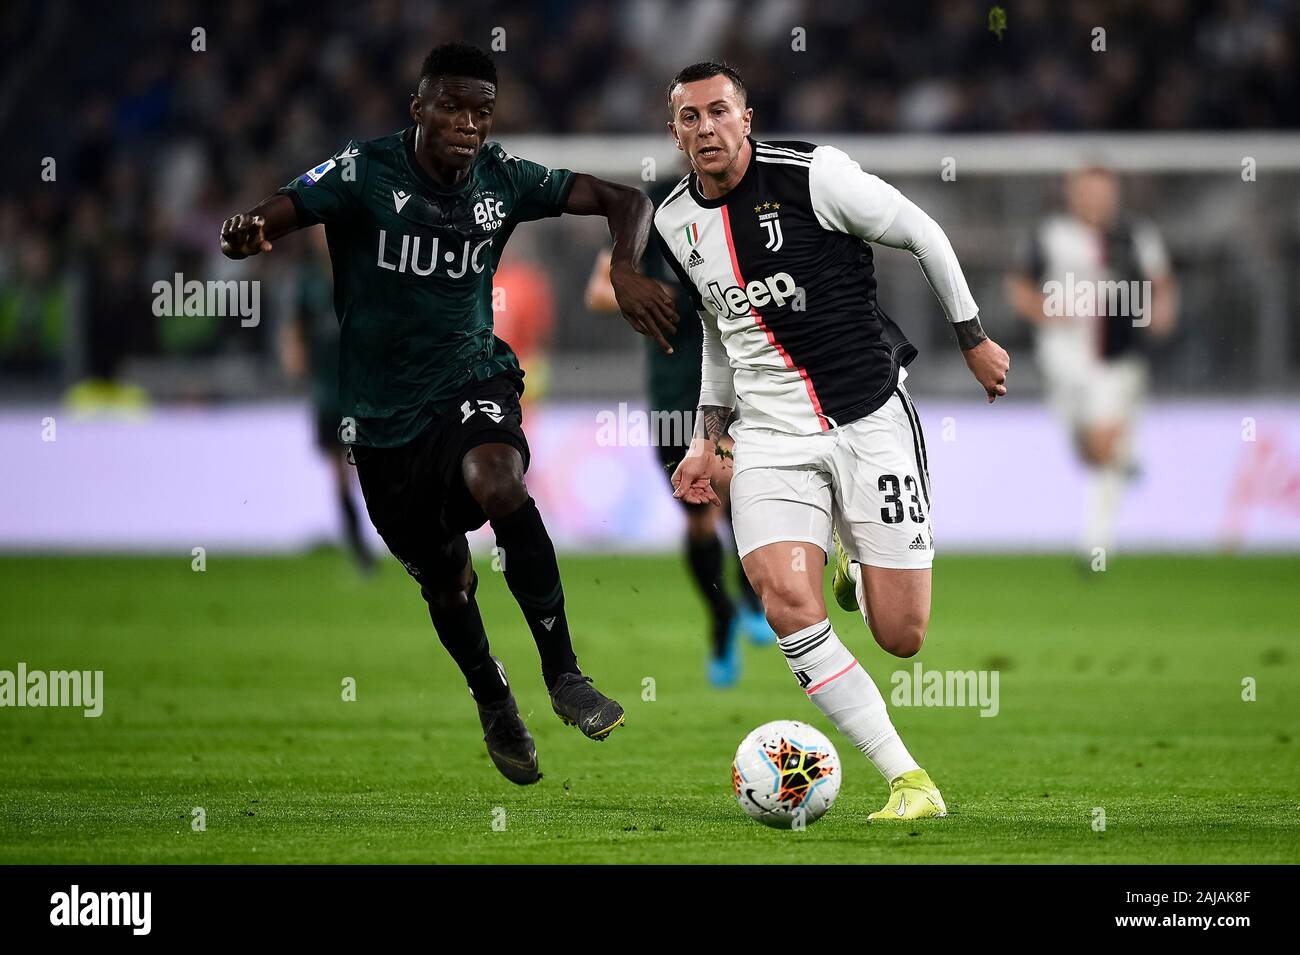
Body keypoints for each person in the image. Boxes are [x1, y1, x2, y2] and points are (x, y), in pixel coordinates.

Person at [220, 43, 679, 786]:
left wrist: (625, 266)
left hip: (470, 375)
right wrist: (252, 228)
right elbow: (281, 207)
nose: (468, 123)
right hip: (380, 418)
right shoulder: (365, 171)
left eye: (481, 111)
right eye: (452, 107)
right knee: (446, 583)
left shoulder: (504, 179)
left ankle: (564, 674)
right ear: (420, 109)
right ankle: (494, 697)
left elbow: (628, 201)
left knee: (500, 481)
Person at [658, 63, 1009, 820]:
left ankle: (851, 549)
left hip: (869, 418)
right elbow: (723, 335)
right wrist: (706, 437)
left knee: (901, 635)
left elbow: (922, 230)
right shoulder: (673, 222)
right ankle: (910, 780)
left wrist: (972, 336)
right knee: (785, 598)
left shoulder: (815, 177)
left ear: (746, 118)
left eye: (720, 112)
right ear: (675, 132)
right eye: (690, 118)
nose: (707, 128)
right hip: (770, 438)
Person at [586, 178, 776, 690]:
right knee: (699, 517)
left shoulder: (743, 215)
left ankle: (753, 599)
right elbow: (600, 290)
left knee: (744, 494)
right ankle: (721, 616)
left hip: (742, 388)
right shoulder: (650, 209)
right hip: (673, 396)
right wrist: (665, 295)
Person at [1006, 165, 1176, 565]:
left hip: (1116, 359)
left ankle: (1096, 544)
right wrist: (1047, 310)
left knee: (1101, 445)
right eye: (1087, 191)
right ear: (1072, 194)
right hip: (1062, 363)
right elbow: (1019, 287)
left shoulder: (1136, 234)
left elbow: (1160, 280)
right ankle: (1124, 454)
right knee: (1088, 452)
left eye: (1103, 191)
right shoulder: (1049, 235)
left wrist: (1162, 310)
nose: (1096, 200)